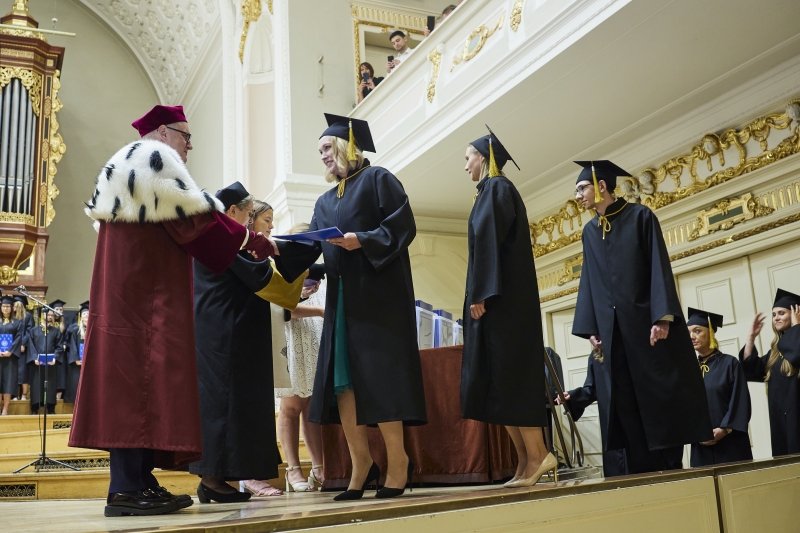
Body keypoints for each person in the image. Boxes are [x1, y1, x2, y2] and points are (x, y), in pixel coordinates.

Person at [68, 105, 275, 518]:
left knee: (136, 392)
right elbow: (195, 221)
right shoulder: (152, 159)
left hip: (129, 298)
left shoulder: (123, 165)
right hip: (144, 302)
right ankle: (126, 489)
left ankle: (139, 483)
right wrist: (252, 240)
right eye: (186, 135)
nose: (189, 145)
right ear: (163, 132)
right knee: (139, 392)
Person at [275, 114, 427, 500]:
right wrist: (277, 251)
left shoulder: (380, 180)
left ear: (347, 147)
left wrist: (364, 240)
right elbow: (313, 249)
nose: (323, 156)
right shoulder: (325, 201)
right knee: (343, 385)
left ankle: (398, 462)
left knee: (383, 381)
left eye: (327, 148)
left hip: (379, 303)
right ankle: (361, 466)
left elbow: (402, 226)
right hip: (342, 304)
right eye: (320, 151)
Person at [571, 160, 712, 474]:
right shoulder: (589, 232)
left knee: (657, 399)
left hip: (646, 330)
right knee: (622, 402)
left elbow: (658, 265)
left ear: (601, 185)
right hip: (612, 335)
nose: (578, 196)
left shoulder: (640, 217)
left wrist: (662, 317)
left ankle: (668, 468)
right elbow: (589, 281)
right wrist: (591, 327)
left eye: (582, 188)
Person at [191, 183, 307, 504]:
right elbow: (259, 277)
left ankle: (212, 479)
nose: (251, 217)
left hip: (223, 332)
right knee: (225, 406)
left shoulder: (212, 233)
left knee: (225, 405)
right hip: (226, 335)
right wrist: (302, 257)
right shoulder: (222, 236)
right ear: (233, 212)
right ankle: (212, 479)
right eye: (249, 211)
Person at [460, 129, 555, 488]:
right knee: (499, 384)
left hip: (505, 305)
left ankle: (539, 455)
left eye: (467, 157)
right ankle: (525, 462)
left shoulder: (498, 189)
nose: (465, 166)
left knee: (513, 380)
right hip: (495, 305)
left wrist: (481, 293)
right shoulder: (486, 193)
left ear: (483, 157)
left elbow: (491, 244)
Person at [274, 222, 327, 493]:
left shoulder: (319, 269)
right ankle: (293, 469)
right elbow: (282, 307)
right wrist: (317, 310)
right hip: (291, 339)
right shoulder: (278, 269)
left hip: (313, 337)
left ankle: (319, 467)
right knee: (291, 407)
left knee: (311, 408)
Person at [686, 308, 752, 467]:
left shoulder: (730, 364)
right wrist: (696, 432)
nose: (691, 336)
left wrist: (725, 429)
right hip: (700, 445)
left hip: (730, 443)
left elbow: (740, 400)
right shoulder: (688, 369)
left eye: (697, 331)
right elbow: (684, 406)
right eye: (688, 332)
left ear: (710, 333)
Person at [740, 288, 800, 456]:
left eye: (781, 313)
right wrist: (751, 338)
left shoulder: (794, 345)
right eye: (774, 315)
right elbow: (752, 370)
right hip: (780, 422)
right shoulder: (775, 351)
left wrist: (797, 327)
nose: (776, 318)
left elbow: (796, 355)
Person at [558, 347, 628, 477]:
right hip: (610, 421)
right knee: (616, 472)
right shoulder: (596, 355)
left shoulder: (633, 345)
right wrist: (572, 396)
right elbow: (591, 389)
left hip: (636, 419)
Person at [27, 308, 61, 415]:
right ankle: (35, 408)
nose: (50, 317)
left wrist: (55, 357)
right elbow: (31, 346)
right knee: (37, 384)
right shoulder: (34, 330)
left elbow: (59, 347)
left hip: (50, 364)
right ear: (43, 315)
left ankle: (50, 408)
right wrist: (34, 358)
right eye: (48, 314)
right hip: (37, 363)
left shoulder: (56, 331)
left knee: (50, 385)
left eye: (52, 315)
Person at [57, 301, 89, 405]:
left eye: (88, 314)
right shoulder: (75, 329)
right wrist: (76, 359)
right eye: (84, 314)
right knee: (75, 382)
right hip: (76, 362)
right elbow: (72, 345)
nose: (86, 316)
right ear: (80, 316)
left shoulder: (94, 329)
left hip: (89, 363)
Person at [0, 295, 22, 415]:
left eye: (8, 306)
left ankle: (5, 408)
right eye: (3, 306)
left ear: (12, 308)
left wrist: (10, 351)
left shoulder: (17, 323)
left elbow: (18, 338)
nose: (5, 308)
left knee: (8, 383)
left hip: (10, 358)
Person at [13, 295, 33, 402]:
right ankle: (15, 395)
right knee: (14, 371)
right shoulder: (11, 318)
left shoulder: (28, 316)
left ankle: (24, 395)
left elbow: (30, 332)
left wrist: (23, 343)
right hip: (13, 349)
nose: (13, 307)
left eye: (15, 305)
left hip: (23, 349)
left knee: (23, 371)